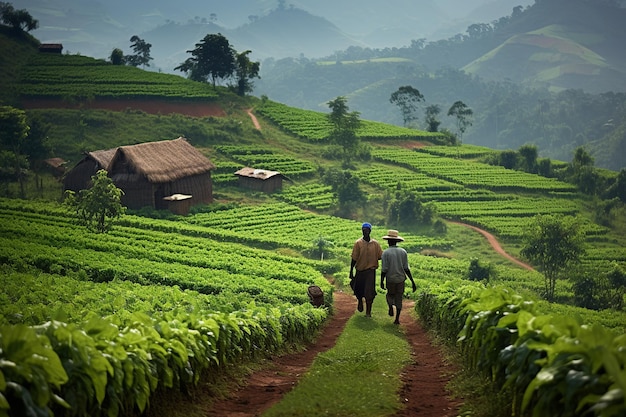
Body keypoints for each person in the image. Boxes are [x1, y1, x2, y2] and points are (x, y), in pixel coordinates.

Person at [380, 229, 416, 325]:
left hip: (390, 279)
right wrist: (412, 281)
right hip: (401, 279)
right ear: (397, 241)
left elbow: (384, 269)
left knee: (389, 294)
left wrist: (381, 281)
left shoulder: (385, 253)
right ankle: (397, 319)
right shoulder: (403, 252)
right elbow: (406, 268)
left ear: (388, 241)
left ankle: (391, 306)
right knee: (399, 297)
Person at [349, 222, 383, 317]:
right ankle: (360, 301)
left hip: (370, 271)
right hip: (360, 270)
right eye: (364, 231)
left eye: (367, 230)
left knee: (369, 292)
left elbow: (380, 256)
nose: (365, 232)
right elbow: (354, 258)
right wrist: (351, 270)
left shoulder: (375, 244)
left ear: (370, 231)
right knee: (358, 289)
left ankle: (368, 312)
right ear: (362, 231)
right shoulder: (358, 243)